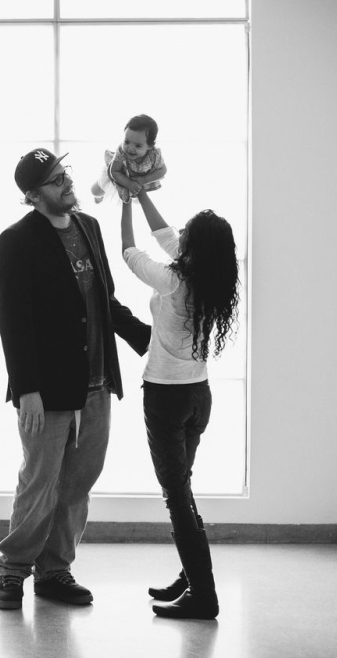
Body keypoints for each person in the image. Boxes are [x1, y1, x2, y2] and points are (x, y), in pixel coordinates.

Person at [0, 148, 151, 610]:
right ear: (32, 196)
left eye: (64, 173)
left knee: (78, 483)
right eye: (53, 180)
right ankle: (14, 572)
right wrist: (26, 390)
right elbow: (13, 321)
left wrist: (149, 337)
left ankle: (55, 571)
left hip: (97, 382)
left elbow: (105, 302)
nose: (65, 183)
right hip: (46, 389)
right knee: (39, 483)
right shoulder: (16, 241)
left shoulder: (89, 228)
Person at [119, 190, 240, 619]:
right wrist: (140, 194)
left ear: (195, 246)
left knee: (176, 495)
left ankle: (203, 597)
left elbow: (131, 253)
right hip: (198, 396)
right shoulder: (209, 274)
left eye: (189, 232)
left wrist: (124, 204)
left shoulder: (175, 279)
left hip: (167, 398)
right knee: (183, 489)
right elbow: (165, 234)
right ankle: (191, 576)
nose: (181, 234)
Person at [91, 114, 167, 205]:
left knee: (135, 199)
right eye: (126, 142)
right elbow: (114, 171)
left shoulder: (154, 154)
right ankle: (100, 197)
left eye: (138, 145)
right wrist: (129, 184)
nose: (130, 149)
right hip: (120, 174)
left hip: (141, 178)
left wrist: (144, 180)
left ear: (150, 146)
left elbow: (162, 170)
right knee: (95, 191)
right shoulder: (122, 151)